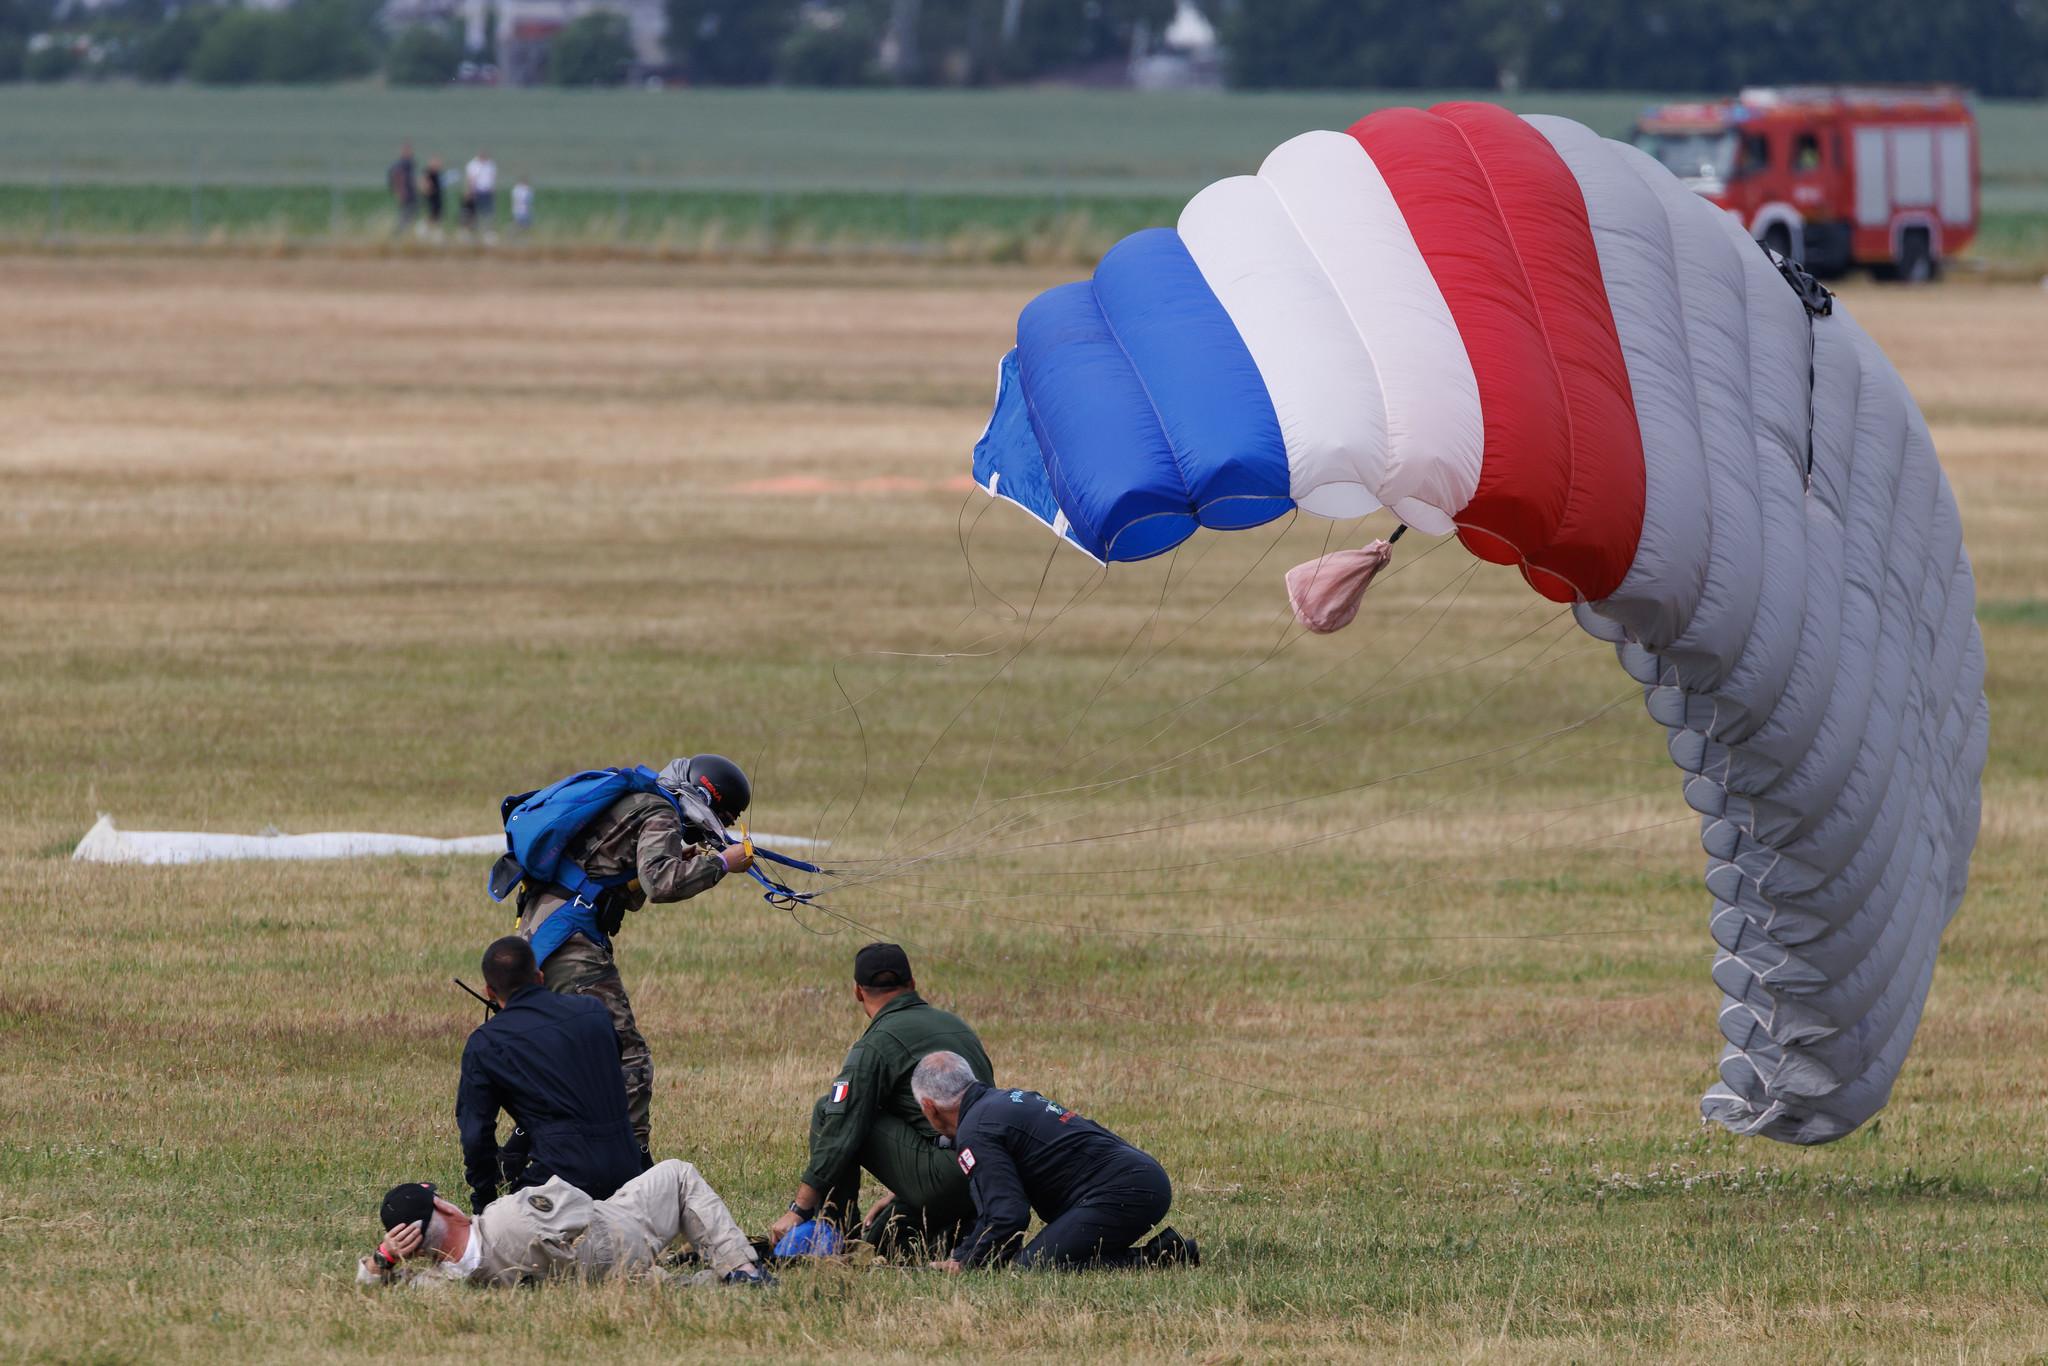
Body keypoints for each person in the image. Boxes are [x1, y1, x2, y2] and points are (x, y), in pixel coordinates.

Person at [514, 755, 755, 1158]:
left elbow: (618, 872)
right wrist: (719, 864)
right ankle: (632, 1163)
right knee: (625, 1053)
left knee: (577, 1052)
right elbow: (659, 883)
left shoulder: (643, 800)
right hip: (568, 940)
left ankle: (517, 1154)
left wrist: (695, 858)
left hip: (548, 931)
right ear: (705, 796)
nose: (722, 827)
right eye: (724, 816)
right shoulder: (661, 810)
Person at [766, 943, 993, 1259]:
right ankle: (949, 1231)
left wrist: (798, 1209)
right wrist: (899, 1189)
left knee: (829, 1110)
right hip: (988, 1174)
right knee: (883, 1237)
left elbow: (838, 1129)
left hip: (946, 1179)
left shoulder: (876, 1044)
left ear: (857, 991)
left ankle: (836, 1233)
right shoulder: (957, 1027)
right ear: (912, 984)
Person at [911, 1051, 1196, 1272]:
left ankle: (1161, 1257)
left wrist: (965, 1261)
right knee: (1042, 1259)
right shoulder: (1001, 1101)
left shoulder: (977, 1130)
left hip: (1124, 1191)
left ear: (929, 1107)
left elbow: (1008, 1214)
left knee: (1035, 1267)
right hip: (1138, 1177)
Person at [457, 936, 643, 1213]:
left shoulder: (486, 1043)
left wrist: (485, 1198)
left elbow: (475, 1136)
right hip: (630, 1176)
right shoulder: (594, 1011)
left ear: (489, 992)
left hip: (560, 1184)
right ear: (540, 976)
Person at [356, 1166, 768, 1288]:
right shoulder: (506, 1216)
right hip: (623, 1236)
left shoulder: (446, 1284)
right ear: (444, 1208)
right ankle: (742, 1270)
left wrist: (382, 1261)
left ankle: (710, 1283)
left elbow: (371, 1282)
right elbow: (578, 1207)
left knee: (685, 1287)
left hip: (609, 1284)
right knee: (677, 1175)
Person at [387, 141, 417, 236]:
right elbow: (396, 175)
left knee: (410, 216)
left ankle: (403, 236)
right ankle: (397, 235)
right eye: (407, 150)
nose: (410, 152)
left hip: (411, 194)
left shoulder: (410, 163)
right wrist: (400, 192)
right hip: (406, 195)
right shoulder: (401, 164)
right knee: (405, 217)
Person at [465, 149, 497, 239]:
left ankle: (487, 232)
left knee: (488, 212)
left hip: (487, 191)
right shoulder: (473, 164)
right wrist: (470, 191)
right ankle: (473, 232)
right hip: (477, 191)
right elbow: (470, 179)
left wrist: (493, 191)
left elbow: (492, 178)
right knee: (474, 213)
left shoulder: (490, 164)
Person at [421, 158, 445, 237]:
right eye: (436, 163)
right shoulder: (428, 172)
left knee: (437, 217)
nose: (438, 165)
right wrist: (428, 191)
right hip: (431, 199)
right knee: (431, 216)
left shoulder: (437, 173)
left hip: (437, 199)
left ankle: (435, 234)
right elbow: (424, 184)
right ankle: (422, 232)